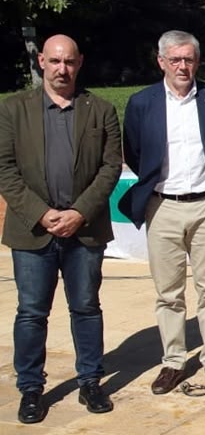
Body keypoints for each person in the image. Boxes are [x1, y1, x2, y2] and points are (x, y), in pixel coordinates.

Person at [119, 30, 205, 395]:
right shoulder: (142, 103)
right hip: (162, 205)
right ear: (161, 61)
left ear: (197, 61)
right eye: (175, 59)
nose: (182, 66)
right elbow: (134, 152)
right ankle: (174, 361)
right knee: (168, 291)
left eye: (188, 59)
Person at [0, 34, 121, 423]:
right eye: (54, 61)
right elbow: (5, 168)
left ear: (79, 62)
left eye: (69, 61)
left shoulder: (100, 110)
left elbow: (110, 168)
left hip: (83, 231)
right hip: (33, 231)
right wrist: (41, 213)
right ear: (41, 61)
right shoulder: (13, 109)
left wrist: (79, 212)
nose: (62, 69)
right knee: (31, 312)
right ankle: (31, 389)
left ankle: (90, 382)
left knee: (85, 307)